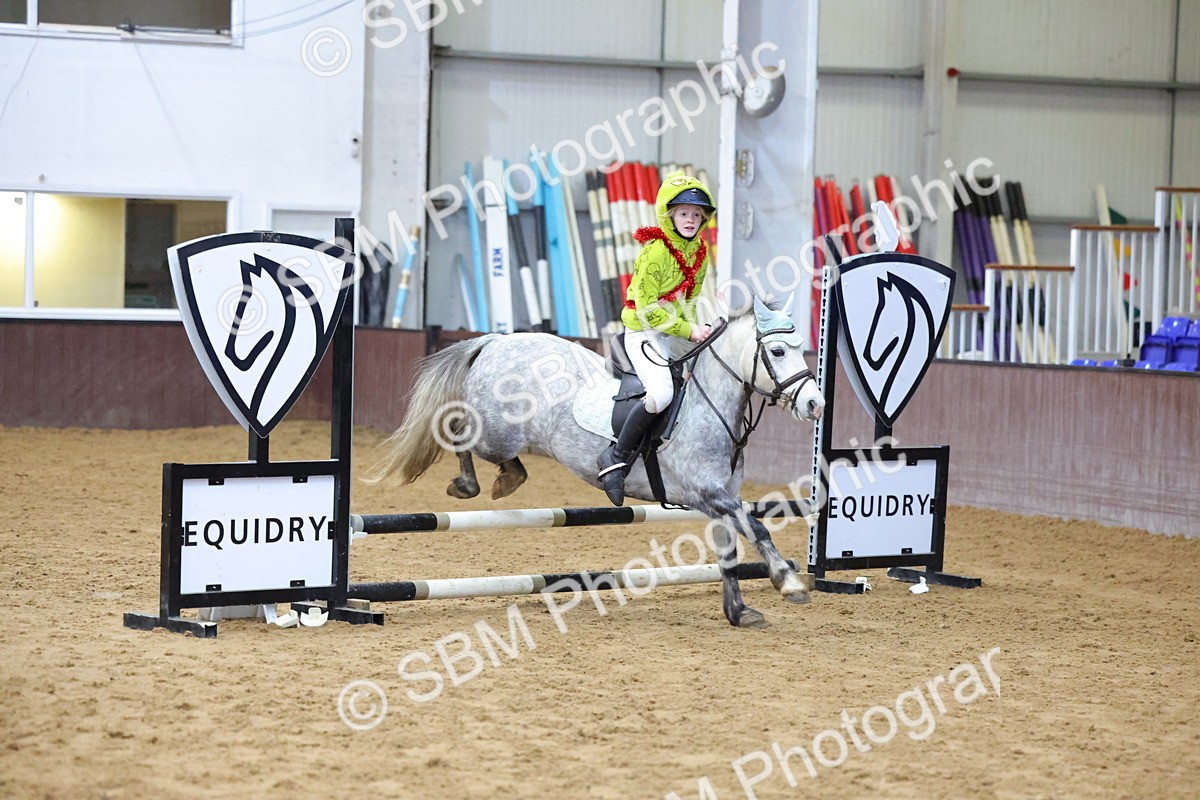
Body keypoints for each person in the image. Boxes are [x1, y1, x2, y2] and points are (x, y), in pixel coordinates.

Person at [596, 171, 716, 506]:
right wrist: (689, 331)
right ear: (669, 215)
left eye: (696, 215)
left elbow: (690, 301)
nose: (690, 220)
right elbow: (647, 310)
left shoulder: (700, 251)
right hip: (643, 331)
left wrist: (695, 337)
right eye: (683, 213)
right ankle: (615, 457)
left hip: (674, 330)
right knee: (662, 394)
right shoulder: (655, 253)